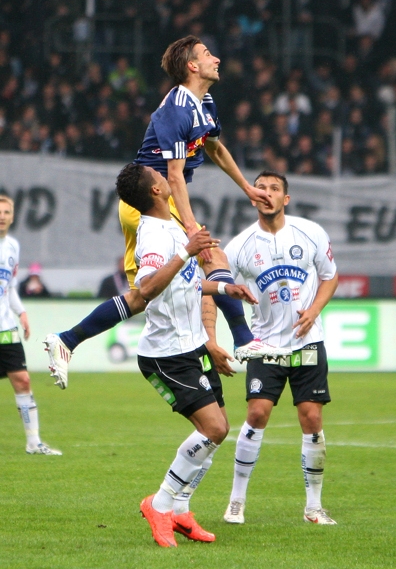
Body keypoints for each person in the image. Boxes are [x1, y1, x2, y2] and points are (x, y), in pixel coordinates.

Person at [45, 35, 289, 390]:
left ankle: (66, 340)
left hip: (157, 201)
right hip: (152, 198)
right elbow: (174, 175)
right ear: (192, 66)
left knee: (141, 295)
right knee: (211, 254)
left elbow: (215, 149)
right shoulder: (175, 108)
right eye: (208, 54)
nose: (216, 58)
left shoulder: (204, 102)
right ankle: (244, 338)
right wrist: (191, 230)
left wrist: (248, 188)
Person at [115, 162, 258, 547]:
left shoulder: (173, 227)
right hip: (166, 355)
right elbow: (146, 288)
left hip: (192, 346)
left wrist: (228, 290)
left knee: (215, 432)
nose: (164, 175)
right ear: (157, 191)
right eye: (158, 176)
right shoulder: (153, 236)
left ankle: (180, 510)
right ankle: (159, 505)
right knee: (214, 429)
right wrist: (186, 251)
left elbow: (190, 285)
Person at [221, 171, 339, 526]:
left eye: (275, 189)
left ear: (286, 199)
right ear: (253, 197)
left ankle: (313, 507)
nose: (267, 193)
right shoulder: (239, 246)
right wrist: (221, 336)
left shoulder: (311, 233)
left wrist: (315, 310)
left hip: (307, 342)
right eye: (261, 188)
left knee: (312, 419)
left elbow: (330, 276)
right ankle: (236, 501)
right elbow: (215, 288)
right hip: (265, 345)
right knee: (256, 414)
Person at [0, 195, 61, 455]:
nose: (2, 215)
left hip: (5, 328)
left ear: (13, 217)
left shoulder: (13, 246)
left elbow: (10, 286)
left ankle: (33, 442)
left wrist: (21, 312)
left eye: (6, 212)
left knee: (23, 380)